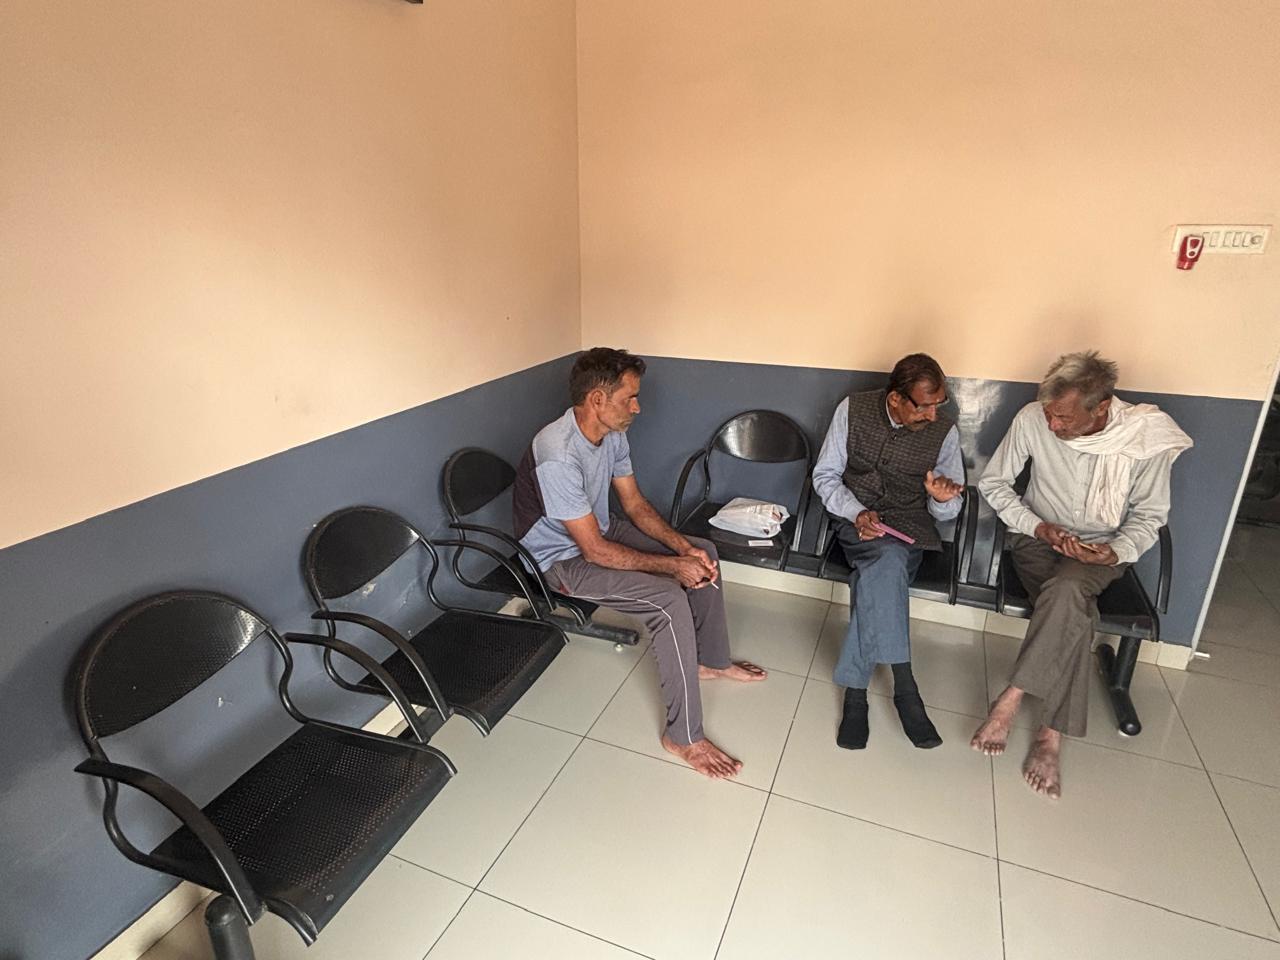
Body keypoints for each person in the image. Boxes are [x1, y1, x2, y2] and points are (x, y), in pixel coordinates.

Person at [514, 347, 767, 779]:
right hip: (558, 559)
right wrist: (671, 569)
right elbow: (592, 551)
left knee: (702, 548)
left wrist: (681, 550)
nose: (638, 406)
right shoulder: (557, 452)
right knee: (667, 597)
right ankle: (682, 736)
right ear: (597, 399)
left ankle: (711, 659)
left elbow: (633, 503)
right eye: (629, 397)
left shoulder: (611, 432)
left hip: (599, 530)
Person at [971, 350, 1192, 799]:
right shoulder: (1033, 418)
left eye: (1065, 418)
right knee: (1076, 611)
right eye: (1050, 415)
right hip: (1036, 538)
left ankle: (1012, 696)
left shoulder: (1142, 437)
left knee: (1070, 586)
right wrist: (1038, 526)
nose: (1053, 426)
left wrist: (1112, 553)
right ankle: (1051, 736)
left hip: (1099, 549)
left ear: (1102, 408)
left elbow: (1150, 516)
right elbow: (994, 483)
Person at [812, 354, 965, 750]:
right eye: (924, 405)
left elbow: (951, 507)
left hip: (909, 528)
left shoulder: (944, 432)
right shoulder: (854, 409)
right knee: (884, 564)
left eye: (939, 404)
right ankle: (906, 688)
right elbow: (825, 475)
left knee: (885, 564)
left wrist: (941, 499)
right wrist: (855, 511)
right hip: (855, 521)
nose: (933, 415)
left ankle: (857, 694)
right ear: (895, 398)